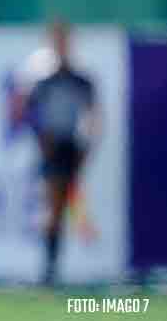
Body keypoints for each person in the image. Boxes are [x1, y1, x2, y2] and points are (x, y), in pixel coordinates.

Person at [13, 20, 101, 285]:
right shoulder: (43, 80)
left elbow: (93, 116)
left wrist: (87, 145)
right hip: (51, 146)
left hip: (72, 145)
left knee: (63, 205)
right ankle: (50, 268)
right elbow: (23, 111)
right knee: (54, 205)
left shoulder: (81, 79)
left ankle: (52, 266)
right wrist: (41, 138)